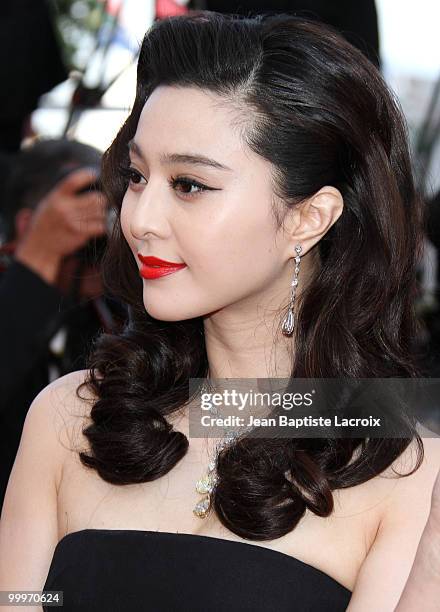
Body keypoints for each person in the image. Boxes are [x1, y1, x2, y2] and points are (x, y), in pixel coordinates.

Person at [0, 11, 440, 611]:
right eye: (136, 175)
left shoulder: (402, 468)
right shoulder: (69, 418)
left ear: (308, 218)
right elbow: (19, 602)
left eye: (189, 185)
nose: (139, 219)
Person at [0, 139, 127, 507]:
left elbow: (216, 407)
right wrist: (40, 257)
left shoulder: (118, 311)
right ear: (28, 223)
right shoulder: (18, 301)